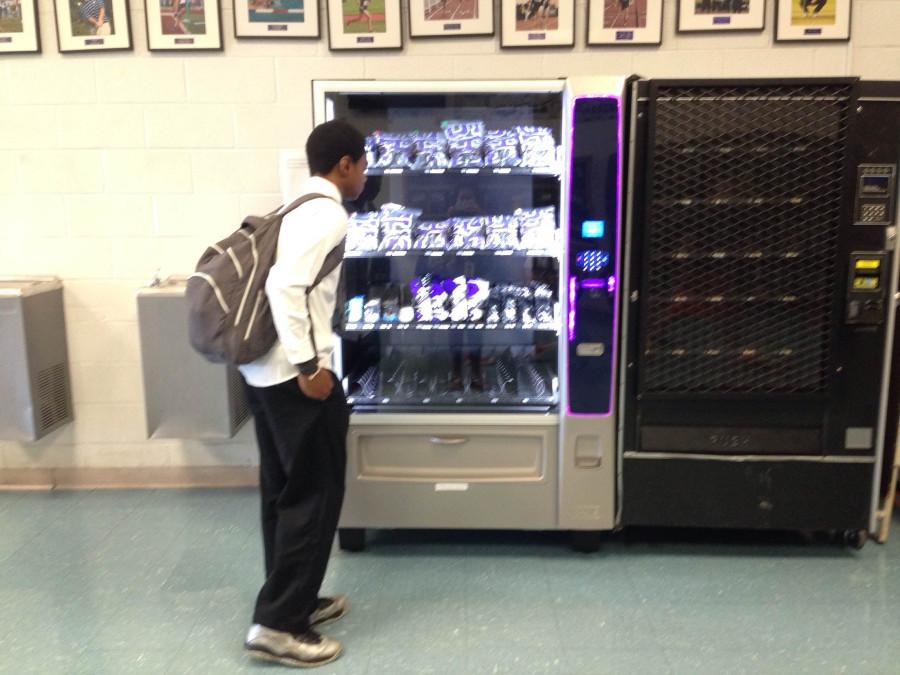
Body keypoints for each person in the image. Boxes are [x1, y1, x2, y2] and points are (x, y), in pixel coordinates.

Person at [239, 119, 367, 668]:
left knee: (283, 494)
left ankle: (291, 599)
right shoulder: (328, 213)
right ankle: (279, 627)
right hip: (294, 377)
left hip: (261, 374)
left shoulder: (292, 206)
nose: (365, 174)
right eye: (362, 164)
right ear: (345, 164)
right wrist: (309, 366)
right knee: (314, 497)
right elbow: (285, 285)